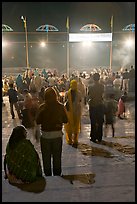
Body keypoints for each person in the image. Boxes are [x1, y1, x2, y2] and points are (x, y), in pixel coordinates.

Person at [36, 87, 68, 176]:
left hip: (45, 135)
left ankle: (48, 174)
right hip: (57, 135)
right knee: (57, 156)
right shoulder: (60, 106)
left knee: (46, 157)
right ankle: (57, 174)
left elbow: (38, 121)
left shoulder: (42, 107)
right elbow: (66, 120)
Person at [4, 125, 45, 191]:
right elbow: (34, 158)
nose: (26, 133)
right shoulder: (26, 145)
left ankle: (17, 175)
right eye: (25, 132)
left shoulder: (10, 144)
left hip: (13, 176)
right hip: (27, 177)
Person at [87, 73, 105, 143]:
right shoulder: (102, 86)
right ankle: (99, 137)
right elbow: (103, 95)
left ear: (93, 78)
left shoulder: (90, 87)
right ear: (99, 78)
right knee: (100, 122)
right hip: (100, 105)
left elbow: (89, 96)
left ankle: (93, 137)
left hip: (93, 105)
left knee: (93, 122)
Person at [64, 79, 82, 147]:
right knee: (76, 127)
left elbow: (64, 101)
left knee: (69, 127)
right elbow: (80, 101)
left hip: (69, 113)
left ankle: (70, 140)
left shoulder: (67, 93)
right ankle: (75, 140)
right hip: (76, 112)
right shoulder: (79, 93)